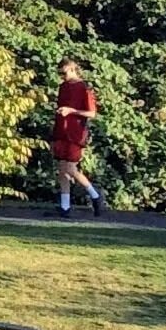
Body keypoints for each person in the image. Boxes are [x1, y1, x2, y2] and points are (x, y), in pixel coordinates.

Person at [50, 59, 106, 217]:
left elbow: (92, 113)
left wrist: (71, 111)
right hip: (61, 131)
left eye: (64, 73)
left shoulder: (83, 88)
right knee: (62, 170)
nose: (62, 76)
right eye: (59, 73)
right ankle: (65, 206)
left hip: (75, 133)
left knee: (71, 168)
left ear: (73, 70)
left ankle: (95, 195)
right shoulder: (63, 87)